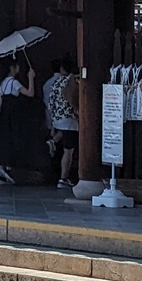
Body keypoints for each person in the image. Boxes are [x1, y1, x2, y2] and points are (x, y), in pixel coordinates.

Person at [0, 53, 36, 185]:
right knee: (13, 139)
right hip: (13, 115)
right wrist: (31, 78)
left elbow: (0, 102)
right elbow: (30, 93)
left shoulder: (3, 83)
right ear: (13, 68)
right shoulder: (14, 82)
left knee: (5, 139)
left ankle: (3, 168)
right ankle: (7, 168)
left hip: (4, 115)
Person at [41, 58, 80, 188]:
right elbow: (71, 96)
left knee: (63, 134)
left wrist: (53, 119)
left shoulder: (56, 82)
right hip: (69, 117)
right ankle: (64, 178)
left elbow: (50, 101)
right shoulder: (72, 81)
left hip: (57, 117)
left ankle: (53, 141)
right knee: (68, 150)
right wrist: (76, 109)